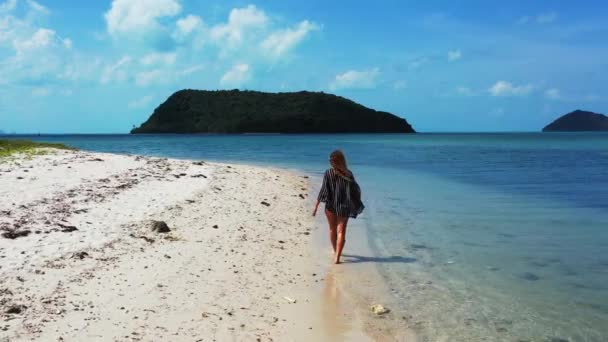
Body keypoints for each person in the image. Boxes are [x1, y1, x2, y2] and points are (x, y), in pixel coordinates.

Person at [312, 150, 364, 264]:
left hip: (330, 205)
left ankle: (335, 251)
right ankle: (337, 257)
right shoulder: (349, 173)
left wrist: (316, 205)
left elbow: (323, 190)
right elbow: (355, 191)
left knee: (332, 229)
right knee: (341, 231)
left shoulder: (328, 173)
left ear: (333, 162)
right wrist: (356, 203)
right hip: (344, 207)